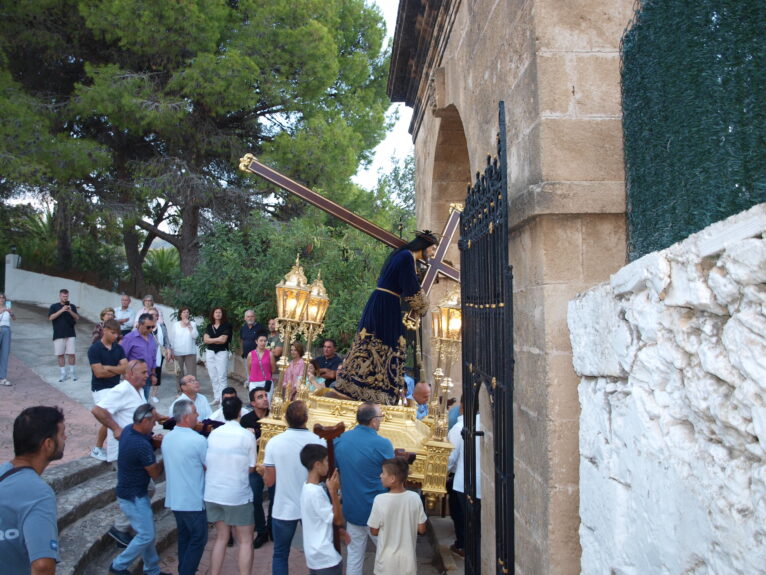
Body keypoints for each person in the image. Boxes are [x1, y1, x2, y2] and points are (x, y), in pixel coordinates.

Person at [333, 231, 437, 404]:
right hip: (386, 305)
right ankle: (374, 390)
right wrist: (424, 306)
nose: (433, 253)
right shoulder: (406, 257)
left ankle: (371, 388)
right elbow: (411, 288)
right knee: (383, 343)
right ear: (424, 247)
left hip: (383, 302)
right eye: (432, 249)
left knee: (376, 344)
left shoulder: (403, 255)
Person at [91, 359, 153, 547]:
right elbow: (97, 410)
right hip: (125, 450)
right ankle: (121, 528)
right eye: (143, 372)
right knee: (142, 488)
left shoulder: (140, 390)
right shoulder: (121, 390)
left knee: (147, 488)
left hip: (136, 448)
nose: (147, 375)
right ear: (131, 374)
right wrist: (116, 428)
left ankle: (128, 528)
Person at [0, 406, 65, 575]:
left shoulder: (3, 473)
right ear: (48, 444)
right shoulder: (38, 493)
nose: (65, 437)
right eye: (61, 434)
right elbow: (43, 565)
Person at [263, 400, 325, 575]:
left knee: (280, 554)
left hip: (284, 506)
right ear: (306, 418)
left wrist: (264, 472)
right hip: (311, 505)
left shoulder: (274, 442)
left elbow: (270, 482)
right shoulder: (318, 441)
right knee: (317, 552)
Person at [333, 402, 394, 575]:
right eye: (380, 417)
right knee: (386, 556)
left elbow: (336, 470)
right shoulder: (383, 444)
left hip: (352, 509)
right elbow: (392, 476)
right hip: (377, 512)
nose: (381, 421)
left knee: (354, 557)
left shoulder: (340, 440)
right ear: (374, 421)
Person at [108, 404, 168, 575]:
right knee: (146, 535)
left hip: (129, 491)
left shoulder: (128, 430)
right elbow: (155, 473)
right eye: (153, 422)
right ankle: (118, 566)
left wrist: (153, 441)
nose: (154, 425)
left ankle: (152, 570)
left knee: (146, 533)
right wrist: (165, 455)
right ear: (145, 421)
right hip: (134, 496)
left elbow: (146, 442)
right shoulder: (141, 445)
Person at [204, 396, 257, 575]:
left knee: (221, 537)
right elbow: (251, 468)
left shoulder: (213, 433)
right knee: (245, 540)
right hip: (236, 494)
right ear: (239, 412)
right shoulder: (246, 435)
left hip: (213, 492)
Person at [162, 399, 208, 575]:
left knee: (185, 537)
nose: (198, 416)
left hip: (175, 498)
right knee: (198, 539)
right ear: (187, 417)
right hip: (192, 498)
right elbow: (207, 466)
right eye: (195, 412)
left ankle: (184, 569)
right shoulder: (198, 440)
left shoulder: (168, 438)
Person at [367, 458, 427, 575]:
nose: (380, 476)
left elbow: (374, 531)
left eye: (383, 473)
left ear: (392, 478)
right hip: (408, 563)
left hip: (386, 563)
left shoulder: (380, 500)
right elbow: (422, 529)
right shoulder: (415, 498)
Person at [299, 444, 347, 575]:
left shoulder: (306, 487)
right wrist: (333, 492)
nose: (328, 464)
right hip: (325, 557)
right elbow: (337, 520)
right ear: (317, 465)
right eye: (326, 461)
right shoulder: (316, 492)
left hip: (314, 555)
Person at [88, 319, 128, 461]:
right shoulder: (95, 349)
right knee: (111, 420)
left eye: (117, 334)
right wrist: (117, 370)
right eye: (113, 333)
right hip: (100, 389)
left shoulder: (119, 348)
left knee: (115, 420)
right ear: (104, 330)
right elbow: (99, 373)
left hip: (115, 388)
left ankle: (110, 453)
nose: (115, 336)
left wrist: (109, 368)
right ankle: (113, 457)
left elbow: (126, 368)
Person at [447, 398, 481, 558]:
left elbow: (450, 458)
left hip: (463, 481)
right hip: (481, 482)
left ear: (462, 406)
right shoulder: (485, 426)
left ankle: (463, 545)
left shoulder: (459, 427)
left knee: (461, 515)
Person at [240, 387, 273, 548]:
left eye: (266, 396)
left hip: (272, 465)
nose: (265, 399)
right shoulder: (246, 420)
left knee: (275, 498)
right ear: (253, 403)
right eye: (260, 397)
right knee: (255, 498)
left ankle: (272, 527)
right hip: (255, 465)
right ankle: (261, 530)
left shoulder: (275, 417)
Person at [48, 288, 80, 383]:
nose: (65, 298)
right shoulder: (54, 306)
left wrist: (69, 311)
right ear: (60, 296)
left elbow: (77, 318)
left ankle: (73, 373)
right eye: (63, 296)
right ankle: (63, 374)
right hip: (58, 334)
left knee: (71, 354)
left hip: (70, 333)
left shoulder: (72, 306)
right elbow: (50, 317)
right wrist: (62, 310)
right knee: (60, 355)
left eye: (66, 296)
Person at [203, 307, 232, 406]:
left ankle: (223, 399)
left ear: (222, 314)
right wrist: (217, 339)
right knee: (213, 376)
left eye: (220, 312)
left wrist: (212, 339)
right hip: (210, 352)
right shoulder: (209, 326)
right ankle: (216, 398)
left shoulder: (227, 326)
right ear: (213, 314)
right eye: (216, 312)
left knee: (222, 377)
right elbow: (205, 340)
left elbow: (223, 340)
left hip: (222, 353)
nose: (218, 314)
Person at [147, 307, 172, 404]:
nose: (153, 316)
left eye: (155, 315)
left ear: (157, 317)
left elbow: (166, 340)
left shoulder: (162, 327)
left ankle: (153, 394)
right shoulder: (144, 327)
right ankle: (143, 392)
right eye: (151, 314)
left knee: (157, 373)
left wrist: (168, 350)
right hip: (146, 354)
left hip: (158, 354)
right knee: (145, 373)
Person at [171, 306, 198, 383]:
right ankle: (180, 391)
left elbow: (195, 336)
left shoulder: (193, 324)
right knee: (179, 373)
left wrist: (189, 326)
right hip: (177, 352)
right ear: (180, 314)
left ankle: (192, 391)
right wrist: (171, 351)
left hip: (190, 352)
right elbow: (172, 339)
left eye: (187, 312)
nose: (186, 314)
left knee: (192, 373)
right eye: (184, 312)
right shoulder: (175, 325)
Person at [240, 310, 264, 378]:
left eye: (252, 316)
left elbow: (263, 342)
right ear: (245, 318)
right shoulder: (243, 328)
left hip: (257, 357)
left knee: (258, 375)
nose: (250, 318)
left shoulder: (260, 327)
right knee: (249, 375)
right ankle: (251, 388)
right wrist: (242, 352)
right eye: (248, 317)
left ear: (255, 317)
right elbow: (242, 340)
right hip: (246, 357)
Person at [0, 293, 16, 386]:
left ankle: (2, 377)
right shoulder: (3, 309)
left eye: (3, 298)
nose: (2, 299)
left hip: (7, 330)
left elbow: (14, 319)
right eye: (0, 298)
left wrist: (10, 312)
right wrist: (2, 311)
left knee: (5, 354)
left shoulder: (7, 307)